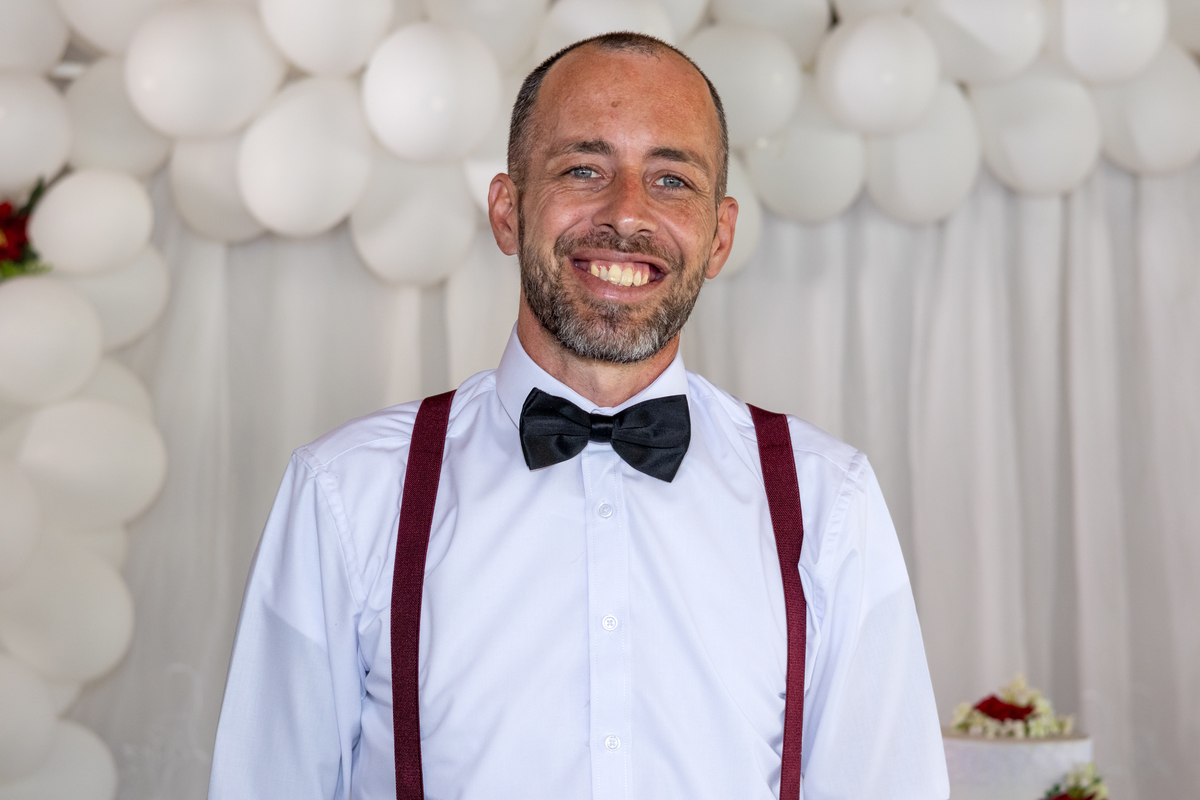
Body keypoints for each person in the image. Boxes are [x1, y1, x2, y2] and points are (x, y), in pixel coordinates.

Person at [208, 32, 949, 800]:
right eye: (583, 169)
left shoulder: (829, 502)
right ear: (507, 211)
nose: (626, 214)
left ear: (720, 235)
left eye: (671, 180)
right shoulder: (348, 493)